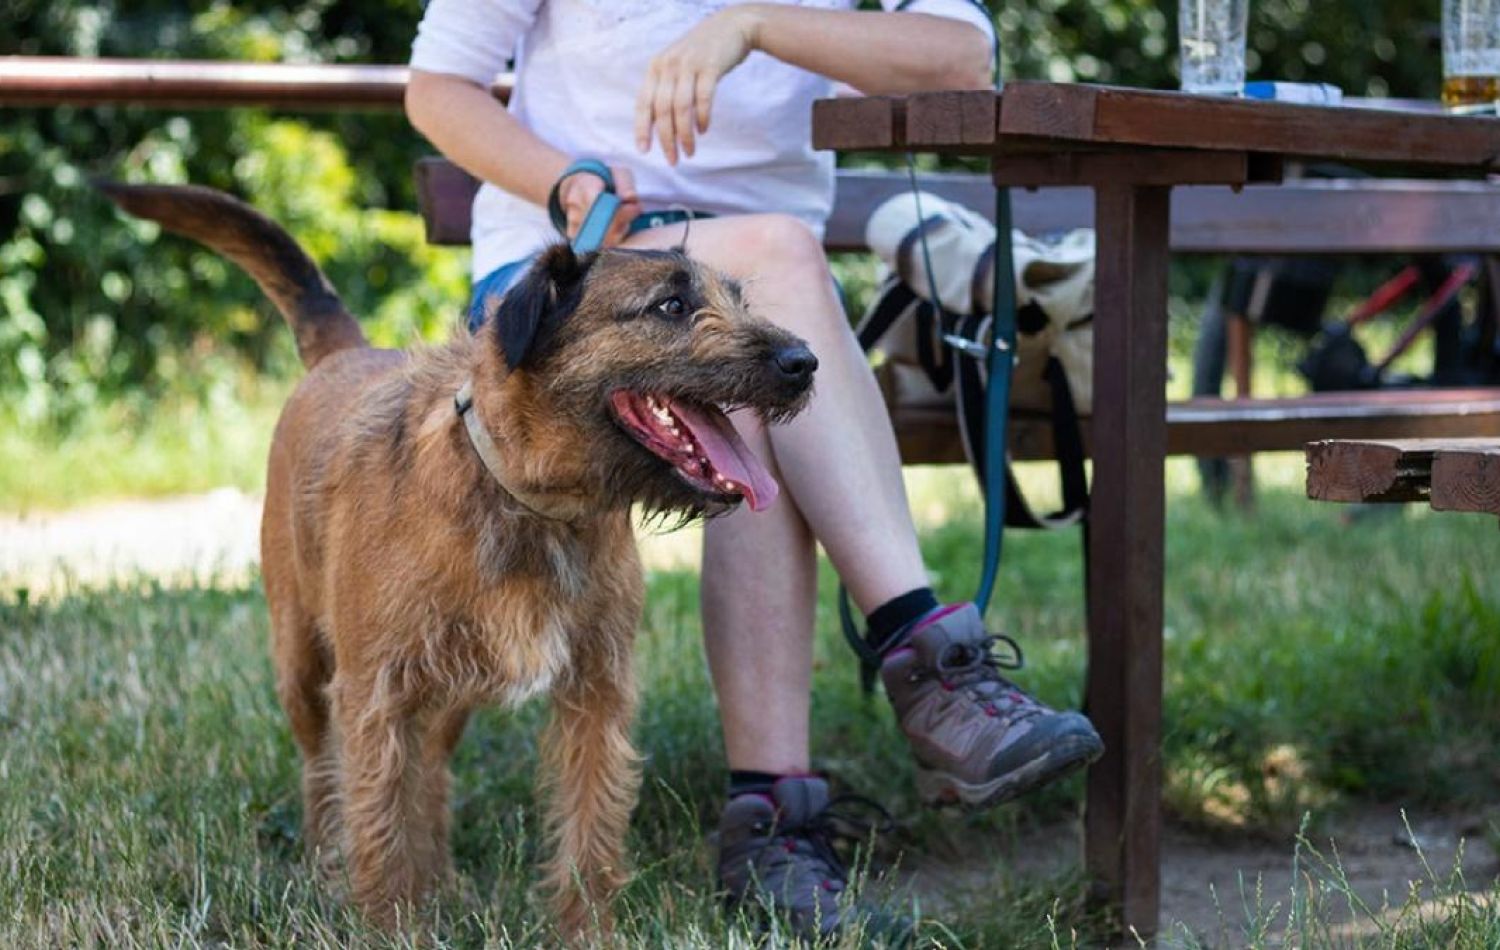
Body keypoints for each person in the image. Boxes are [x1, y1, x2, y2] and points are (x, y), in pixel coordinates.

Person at [405, 1, 1103, 939]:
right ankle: (927, 658)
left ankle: (771, 823)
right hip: (580, 286)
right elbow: (437, 87)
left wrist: (756, 25)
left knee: (761, 356)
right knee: (777, 263)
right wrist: (563, 178)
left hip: (761, 297)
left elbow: (961, 53)